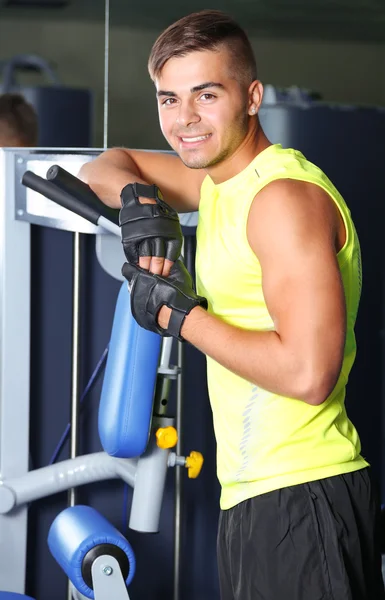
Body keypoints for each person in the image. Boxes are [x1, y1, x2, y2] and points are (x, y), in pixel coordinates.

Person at [79, 10, 384, 599]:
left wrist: (180, 315)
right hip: (255, 496)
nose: (184, 119)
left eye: (206, 94)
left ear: (252, 96)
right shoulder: (220, 183)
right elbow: (108, 164)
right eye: (169, 99)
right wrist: (141, 202)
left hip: (304, 493)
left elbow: (308, 373)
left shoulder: (281, 199)